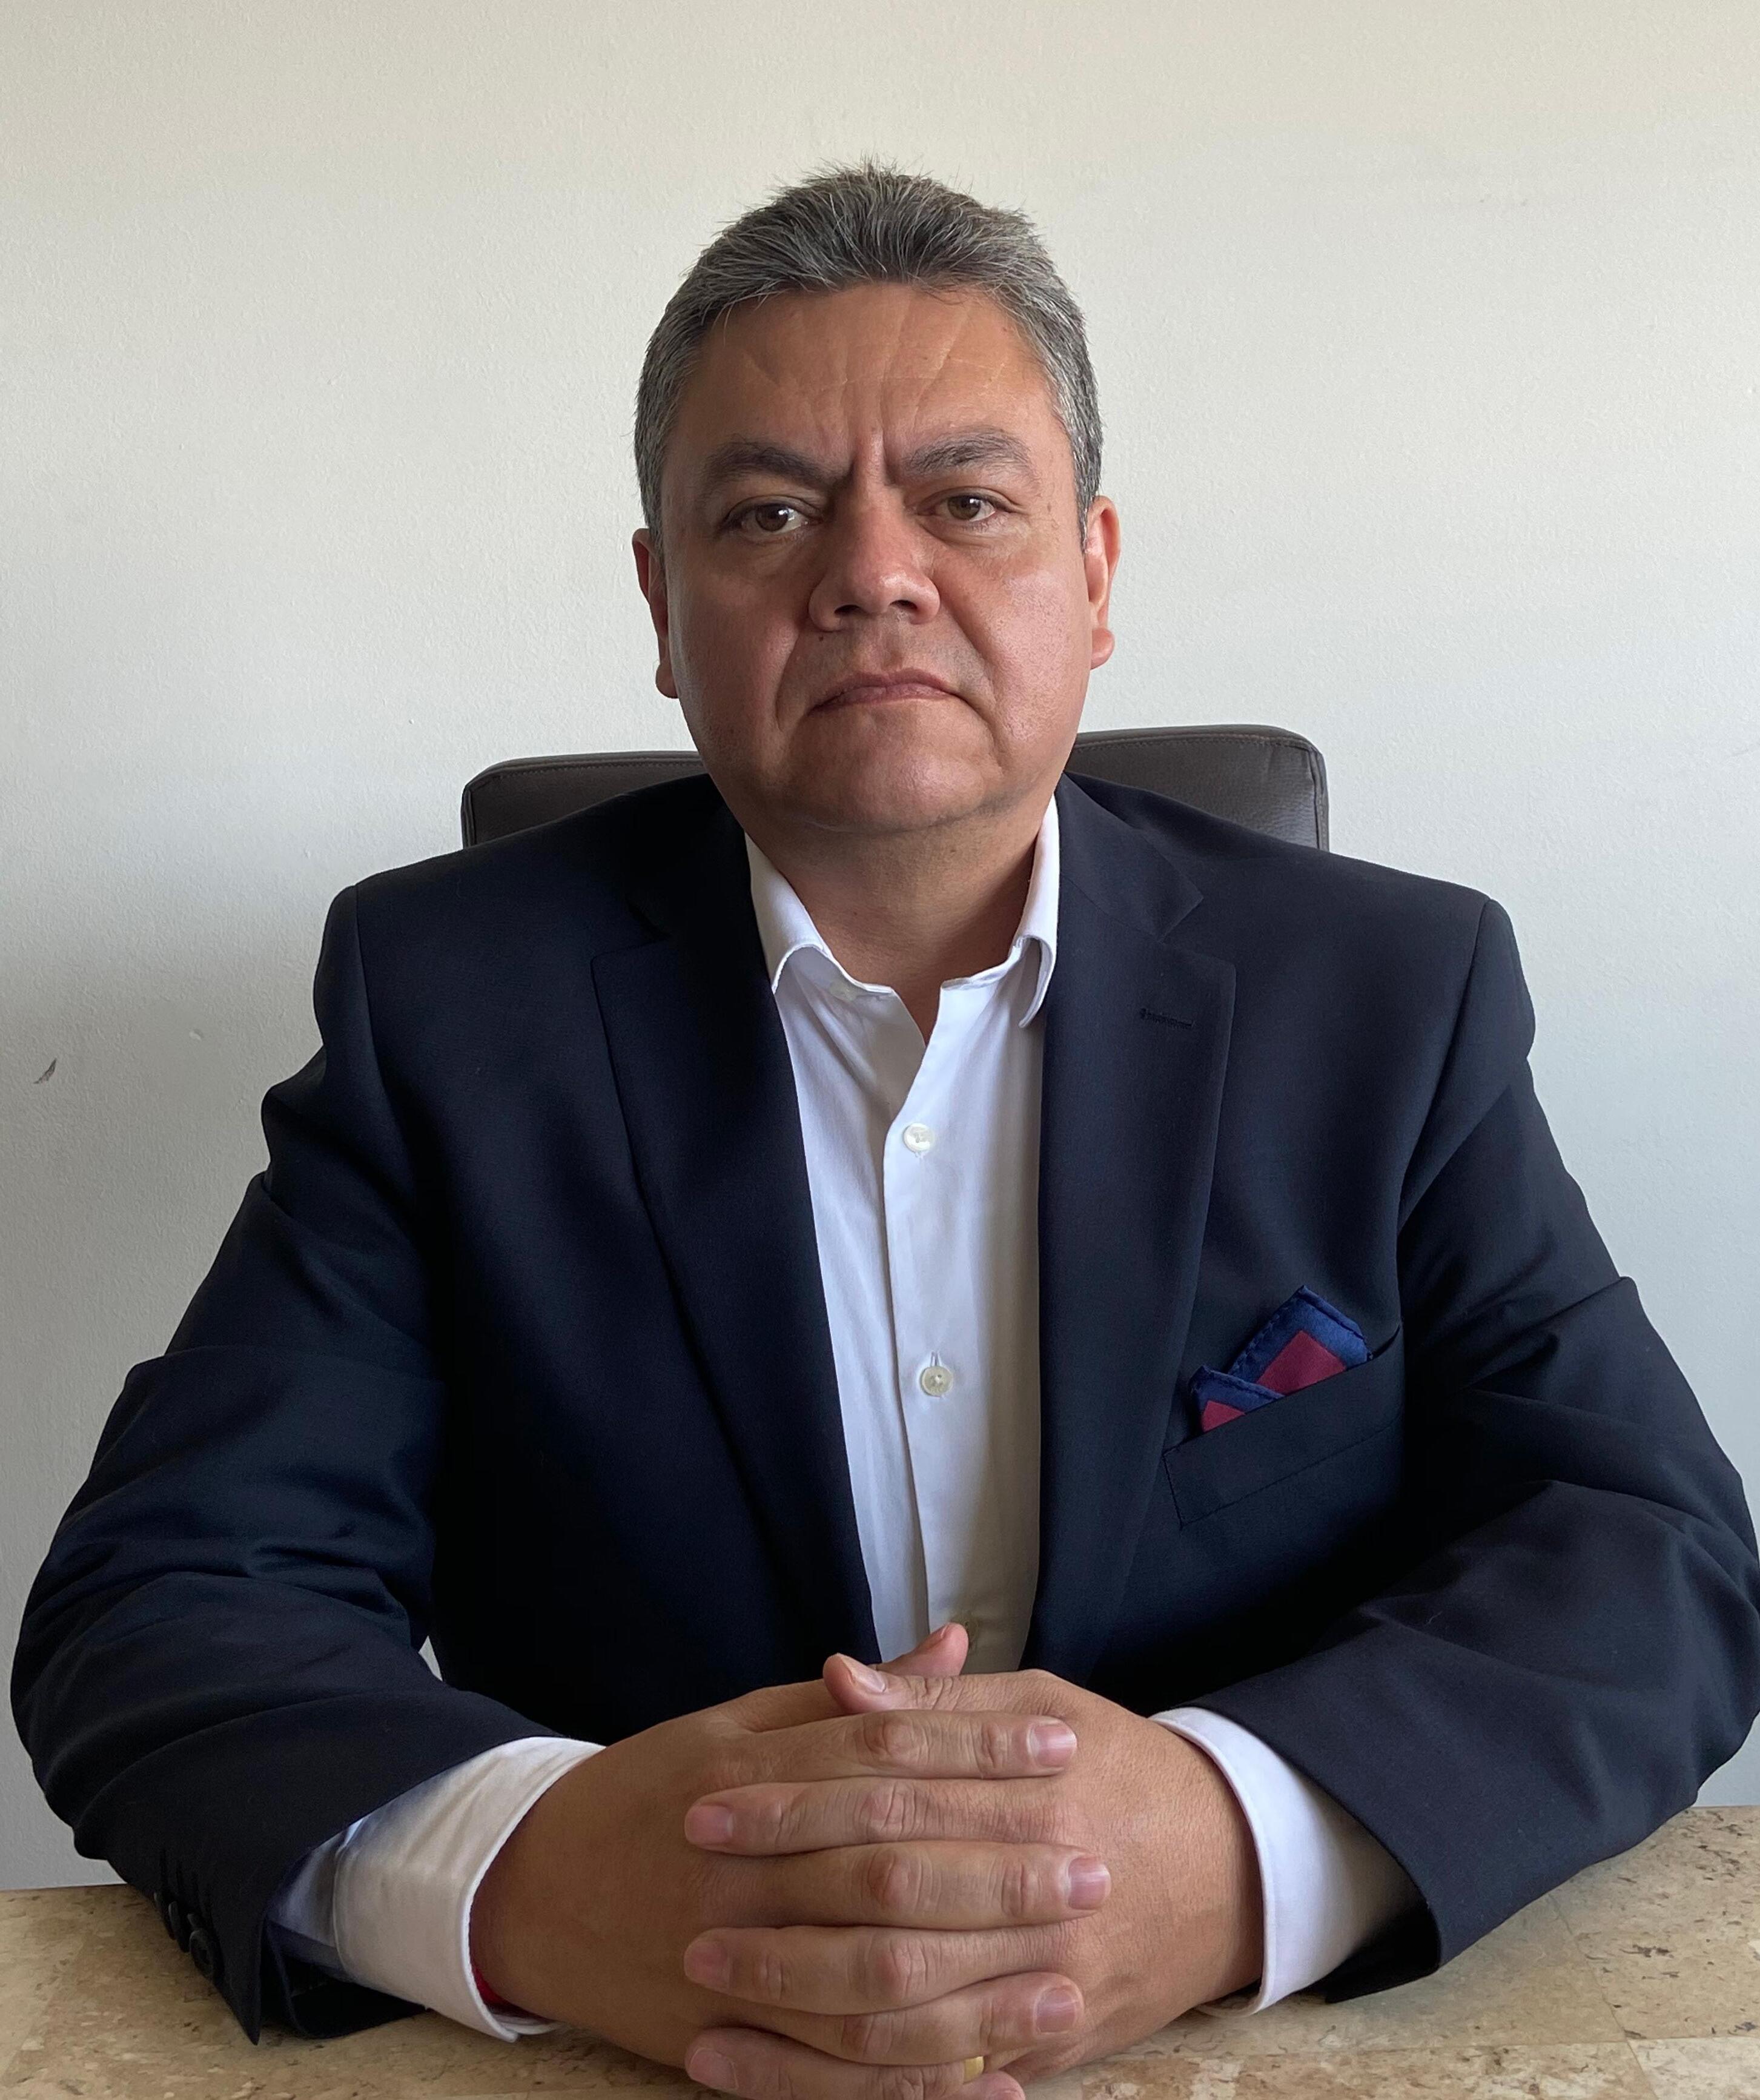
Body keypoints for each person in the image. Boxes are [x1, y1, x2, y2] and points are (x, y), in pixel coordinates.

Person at [14, 163, 1759, 2100]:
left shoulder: (1386, 997)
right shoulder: (449, 1014)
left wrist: (1238, 1840)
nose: (870, 573)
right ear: (660, 605)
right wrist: (533, 1876)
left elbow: (1646, 1550)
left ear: (1095, 575)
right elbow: (165, 1599)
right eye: (767, 512)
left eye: (964, 500)